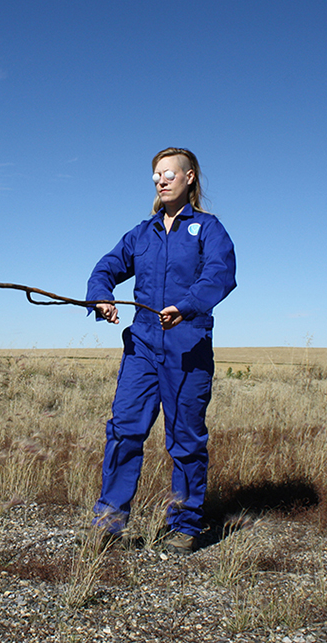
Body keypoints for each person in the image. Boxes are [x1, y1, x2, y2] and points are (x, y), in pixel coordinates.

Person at [85, 147, 236, 554]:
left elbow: (220, 275)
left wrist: (186, 308)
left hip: (188, 346)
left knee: (185, 439)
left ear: (189, 178)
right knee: (123, 430)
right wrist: (101, 296)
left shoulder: (208, 229)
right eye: (156, 175)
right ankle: (108, 522)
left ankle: (185, 525)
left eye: (169, 173)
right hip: (143, 345)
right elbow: (106, 267)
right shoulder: (142, 233)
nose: (161, 180)